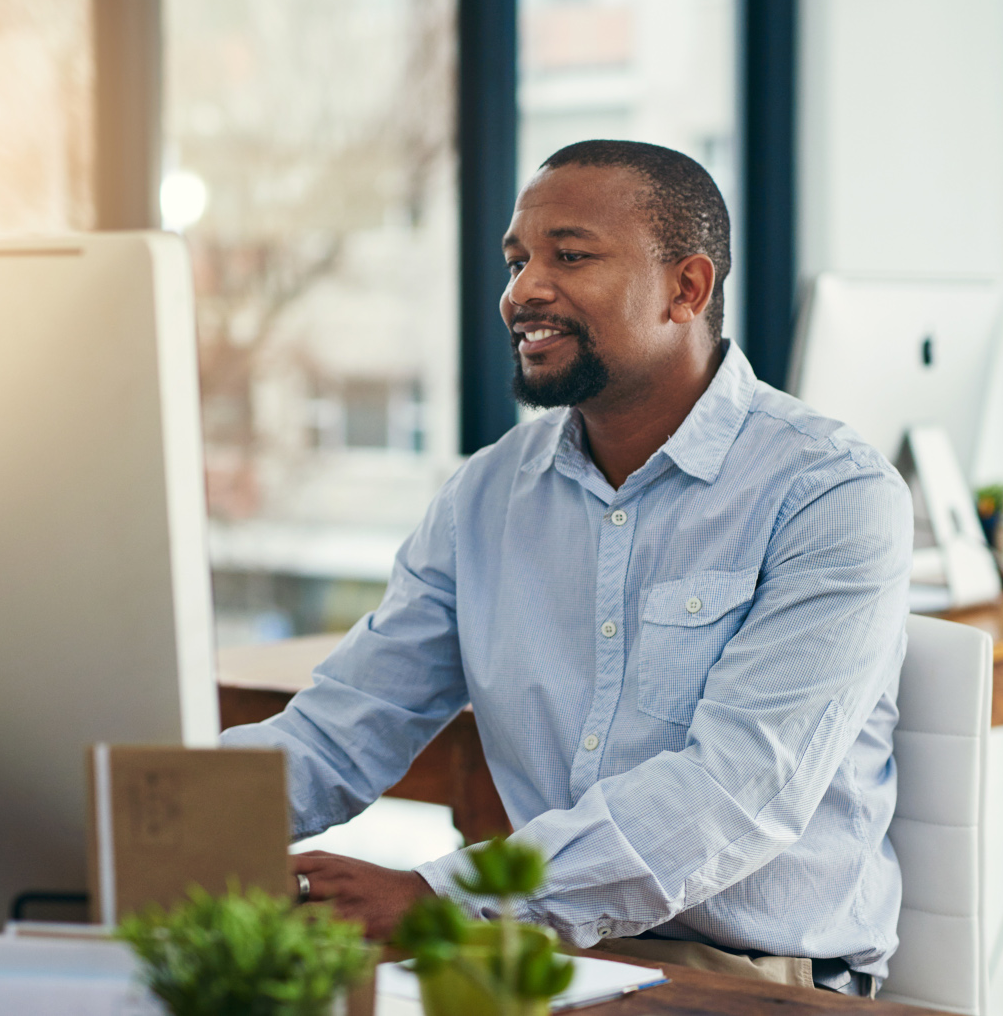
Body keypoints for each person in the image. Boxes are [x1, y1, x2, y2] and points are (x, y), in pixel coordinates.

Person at [221, 140, 911, 997]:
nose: (522, 291)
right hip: (546, 959)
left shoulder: (828, 491)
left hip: (750, 980)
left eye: (570, 256)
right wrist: (167, 822)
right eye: (517, 261)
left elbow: (735, 793)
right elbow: (347, 723)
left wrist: (437, 898)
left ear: (685, 289)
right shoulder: (487, 493)